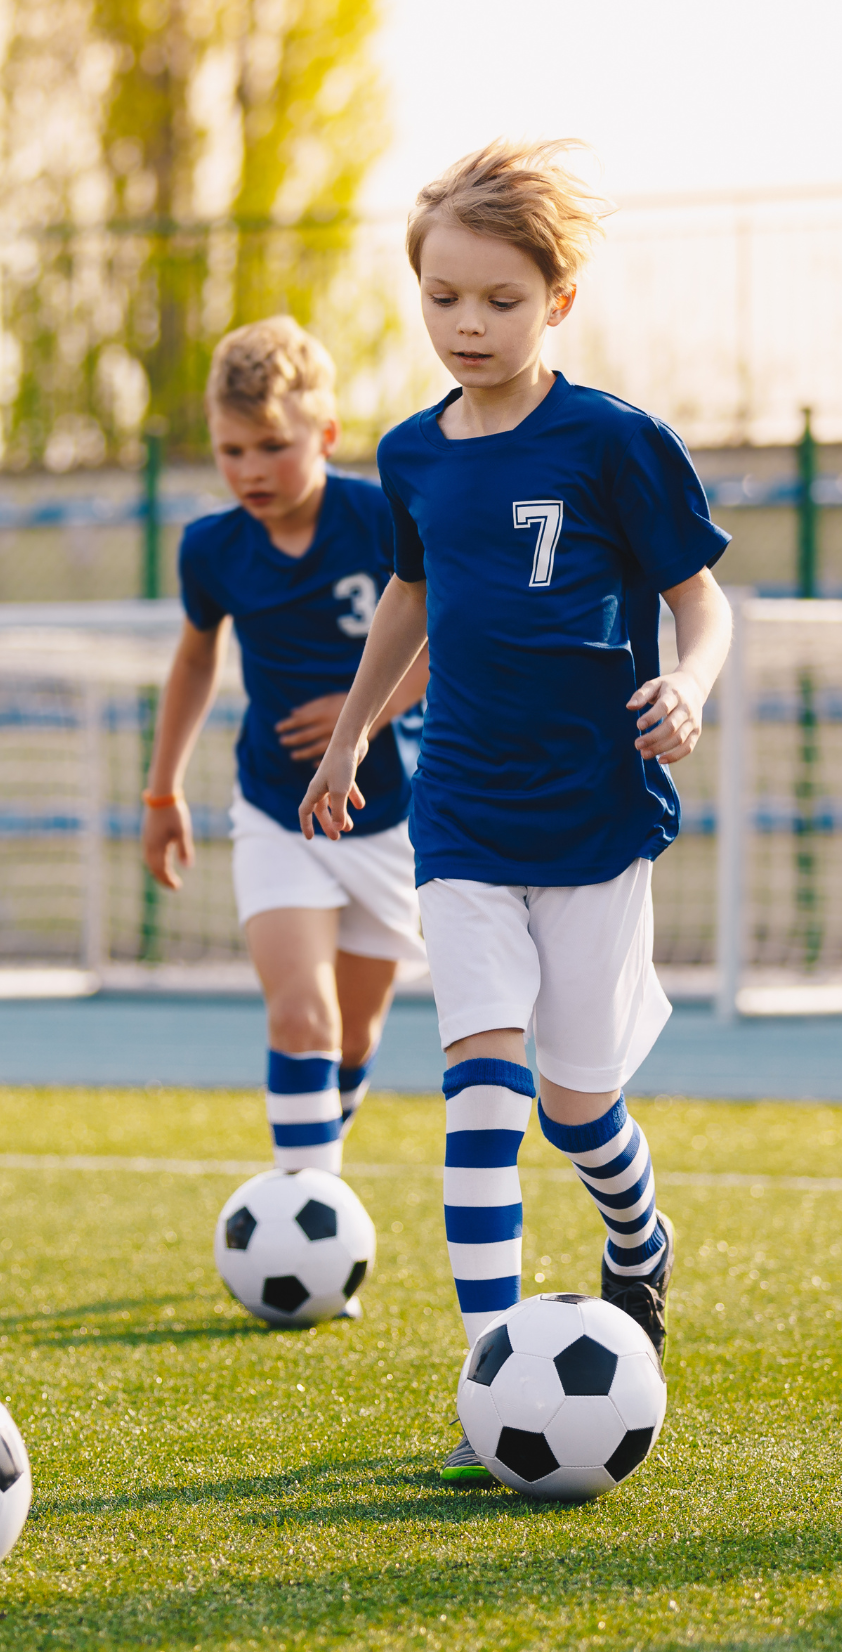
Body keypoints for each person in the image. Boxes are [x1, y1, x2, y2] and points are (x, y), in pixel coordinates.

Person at [298, 140, 733, 1484]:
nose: (466, 325)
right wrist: (359, 730)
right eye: (442, 298)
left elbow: (699, 602)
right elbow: (413, 605)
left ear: (558, 300)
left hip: (595, 821)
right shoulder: (412, 456)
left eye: (496, 299)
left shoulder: (612, 441)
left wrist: (689, 687)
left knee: (575, 1105)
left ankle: (637, 1241)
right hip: (465, 821)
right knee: (480, 1084)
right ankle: (497, 1367)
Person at [142, 317, 429, 1310]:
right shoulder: (211, 549)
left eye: (273, 446)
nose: (251, 469)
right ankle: (318, 1243)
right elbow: (192, 660)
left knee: (353, 1036)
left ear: (327, 435)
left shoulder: (384, 517)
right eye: (231, 450)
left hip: (387, 817)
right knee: (300, 1015)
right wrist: (161, 790)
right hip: (275, 811)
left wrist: (367, 711)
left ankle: (317, 1210)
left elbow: (441, 631)